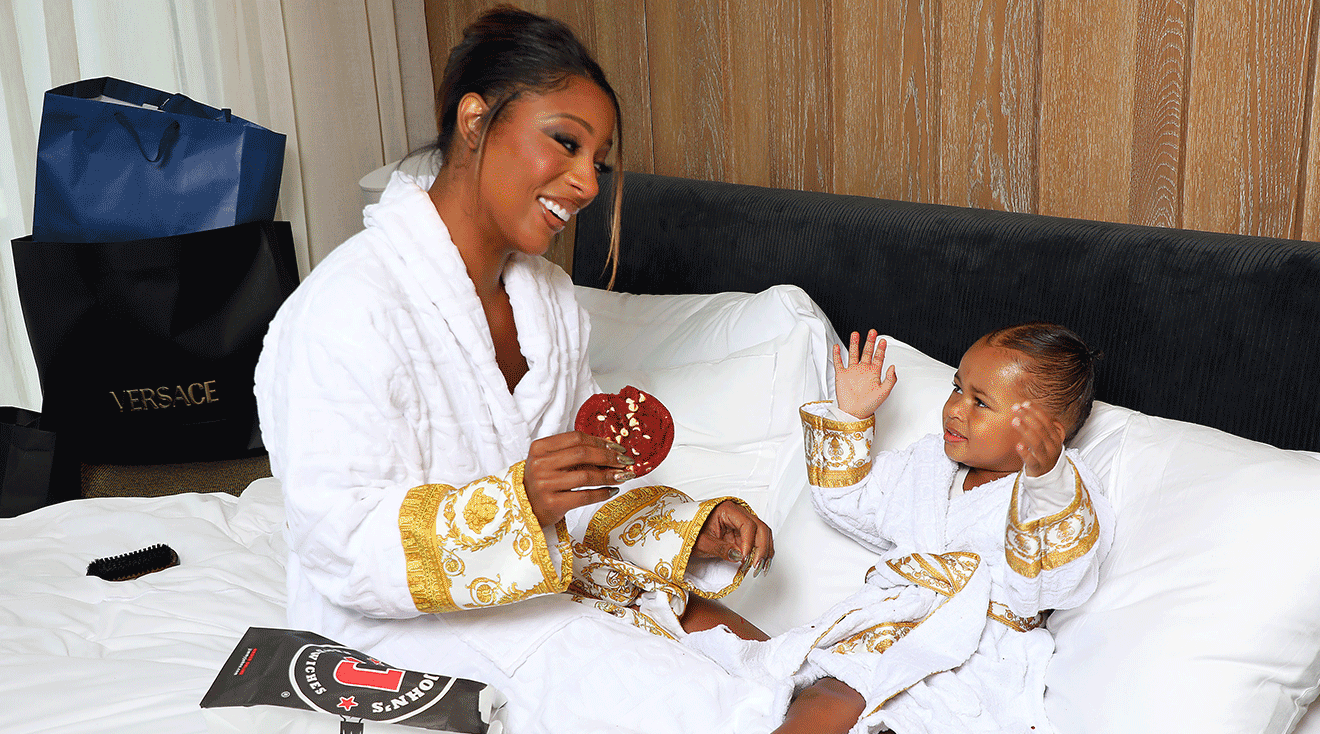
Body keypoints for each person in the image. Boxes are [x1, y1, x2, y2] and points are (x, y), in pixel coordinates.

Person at [254, 6, 860, 733]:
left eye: (596, 163)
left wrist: (684, 530)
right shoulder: (344, 309)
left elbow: (580, 489)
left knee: (796, 667)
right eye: (565, 144)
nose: (585, 184)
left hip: (537, 584)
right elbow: (337, 541)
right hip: (397, 624)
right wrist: (521, 504)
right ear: (474, 120)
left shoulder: (546, 301)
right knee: (711, 700)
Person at [693, 323, 1114, 733]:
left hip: (976, 655)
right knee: (825, 684)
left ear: (1048, 434)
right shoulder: (930, 464)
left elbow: (1055, 583)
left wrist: (1047, 481)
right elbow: (847, 500)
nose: (954, 408)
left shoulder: (1063, 489)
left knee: (868, 703)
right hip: (885, 629)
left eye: (980, 403)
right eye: (956, 387)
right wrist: (849, 413)